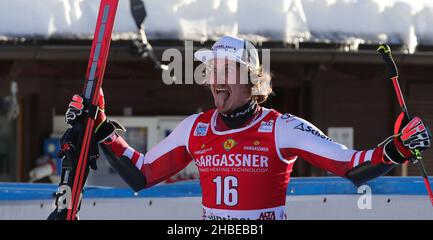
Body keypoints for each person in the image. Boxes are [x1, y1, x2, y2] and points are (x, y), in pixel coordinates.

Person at [58, 35, 431, 220]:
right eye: (212, 71)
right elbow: (141, 175)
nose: (217, 80)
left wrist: (398, 148)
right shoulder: (196, 128)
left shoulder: (281, 128)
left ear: (253, 80)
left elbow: (352, 166)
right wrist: (103, 129)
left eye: (227, 71)